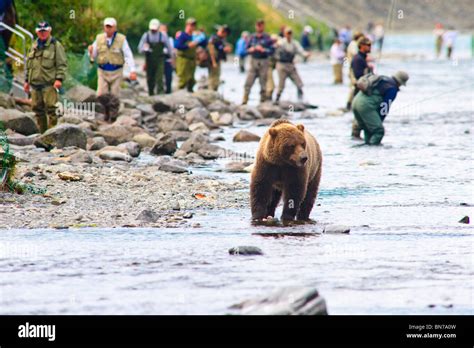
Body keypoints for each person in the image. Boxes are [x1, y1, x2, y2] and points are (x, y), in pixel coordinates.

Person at [23, 21, 67, 133]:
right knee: (37, 109)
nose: (43, 33)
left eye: (45, 31)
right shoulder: (33, 46)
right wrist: (26, 81)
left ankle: (53, 134)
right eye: (40, 31)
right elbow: (29, 65)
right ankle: (42, 133)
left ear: (49, 31)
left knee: (52, 109)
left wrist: (59, 79)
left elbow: (61, 64)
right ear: (37, 32)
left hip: (49, 84)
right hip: (35, 84)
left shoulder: (56, 45)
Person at [352, 71, 409, 145]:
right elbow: (385, 107)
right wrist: (379, 122)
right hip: (365, 106)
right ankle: (372, 151)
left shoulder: (383, 79)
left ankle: (363, 150)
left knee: (368, 129)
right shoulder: (392, 89)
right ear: (400, 83)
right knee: (378, 131)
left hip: (356, 101)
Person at [88, 17, 137, 97]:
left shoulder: (122, 39)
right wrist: (90, 52)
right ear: (104, 27)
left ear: (115, 28)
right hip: (102, 71)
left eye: (110, 27)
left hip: (117, 71)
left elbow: (128, 56)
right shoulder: (99, 38)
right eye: (107, 27)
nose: (108, 29)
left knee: (115, 95)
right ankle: (103, 109)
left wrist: (132, 70)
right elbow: (93, 56)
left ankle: (113, 109)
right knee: (101, 94)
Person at [242, 19, 274, 104]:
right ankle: (245, 100)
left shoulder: (267, 37)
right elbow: (245, 50)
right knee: (248, 82)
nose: (259, 27)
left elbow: (272, 50)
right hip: (253, 61)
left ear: (263, 26)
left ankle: (263, 101)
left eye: (261, 25)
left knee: (263, 82)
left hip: (264, 61)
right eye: (258, 25)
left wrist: (264, 50)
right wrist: (251, 49)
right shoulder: (252, 37)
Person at [274, 27, 310, 103]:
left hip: (291, 65)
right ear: (285, 34)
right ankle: (277, 99)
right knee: (281, 84)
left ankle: (301, 100)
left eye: (290, 33)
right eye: (287, 33)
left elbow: (300, 51)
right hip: (281, 65)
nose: (289, 35)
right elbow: (276, 46)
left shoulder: (294, 43)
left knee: (299, 83)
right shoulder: (281, 42)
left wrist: (305, 54)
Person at [138, 19, 173, 96]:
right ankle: (151, 93)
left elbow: (169, 48)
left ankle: (160, 93)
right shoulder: (146, 35)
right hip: (149, 59)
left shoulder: (163, 36)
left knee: (159, 77)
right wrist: (145, 49)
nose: (153, 30)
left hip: (160, 59)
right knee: (150, 78)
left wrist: (171, 58)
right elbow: (139, 49)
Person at [350, 36, 372, 138]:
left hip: (361, 92)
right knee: (358, 119)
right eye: (368, 45)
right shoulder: (358, 59)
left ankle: (356, 137)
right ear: (361, 46)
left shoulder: (361, 58)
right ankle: (355, 136)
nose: (370, 47)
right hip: (359, 92)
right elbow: (359, 78)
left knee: (360, 118)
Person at [174, 18, 199, 92]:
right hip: (183, 60)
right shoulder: (182, 35)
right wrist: (188, 46)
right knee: (182, 78)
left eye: (194, 25)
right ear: (187, 25)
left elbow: (204, 42)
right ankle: (180, 92)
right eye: (190, 25)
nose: (192, 27)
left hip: (192, 60)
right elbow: (177, 45)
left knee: (191, 78)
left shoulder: (194, 36)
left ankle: (190, 91)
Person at [208, 24, 231, 91]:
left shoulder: (220, 39)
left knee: (216, 76)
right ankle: (212, 91)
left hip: (217, 60)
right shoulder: (214, 38)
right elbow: (211, 51)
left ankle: (214, 90)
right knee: (213, 77)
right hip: (213, 61)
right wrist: (213, 62)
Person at [160, 23, 175, 94]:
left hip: (168, 60)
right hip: (159, 61)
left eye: (164, 29)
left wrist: (173, 61)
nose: (163, 31)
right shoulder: (156, 39)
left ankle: (168, 91)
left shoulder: (170, 39)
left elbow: (172, 51)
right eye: (162, 29)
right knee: (159, 78)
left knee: (168, 77)